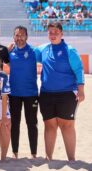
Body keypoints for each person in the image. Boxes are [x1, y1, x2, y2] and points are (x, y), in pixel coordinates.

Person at [36, 22, 85, 161]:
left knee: (67, 126)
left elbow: (79, 69)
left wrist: (81, 90)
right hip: (46, 94)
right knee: (49, 126)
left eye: (56, 32)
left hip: (67, 94)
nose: (53, 34)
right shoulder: (43, 49)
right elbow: (26, 52)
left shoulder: (70, 50)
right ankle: (48, 157)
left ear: (61, 34)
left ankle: (71, 159)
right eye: (50, 32)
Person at [9, 26, 38, 159]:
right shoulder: (9, 52)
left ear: (27, 36)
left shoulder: (34, 51)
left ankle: (33, 153)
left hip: (31, 94)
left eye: (22, 35)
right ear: (13, 37)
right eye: (17, 35)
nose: (19, 38)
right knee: (15, 124)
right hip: (14, 94)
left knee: (31, 124)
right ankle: (15, 152)